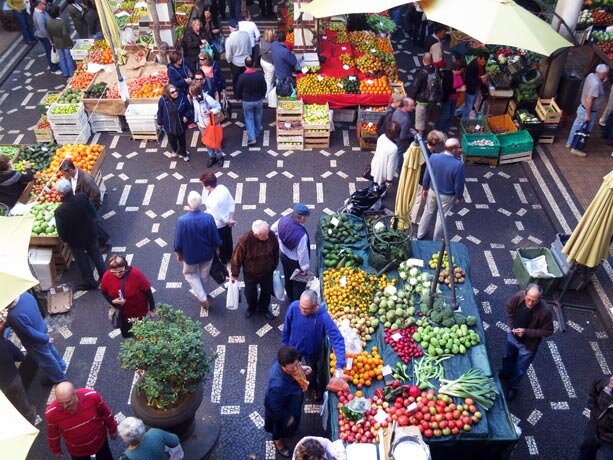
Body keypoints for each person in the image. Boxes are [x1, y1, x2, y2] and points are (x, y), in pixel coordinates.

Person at [282, 290, 346, 401]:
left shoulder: (323, 317)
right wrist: (285, 347)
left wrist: (340, 365)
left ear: (315, 306)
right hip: (293, 348)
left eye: (305, 309)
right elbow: (286, 329)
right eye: (300, 306)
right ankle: (294, 386)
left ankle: (311, 386)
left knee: (312, 371)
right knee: (292, 369)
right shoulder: (294, 307)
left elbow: (337, 338)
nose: (301, 310)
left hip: (312, 352)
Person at [500, 285, 553, 402]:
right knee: (508, 357)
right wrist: (511, 323)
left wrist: (526, 332)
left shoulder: (545, 312)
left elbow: (548, 331)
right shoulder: (519, 296)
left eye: (534, 301)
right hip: (513, 337)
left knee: (520, 368)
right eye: (528, 299)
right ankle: (506, 373)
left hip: (528, 345)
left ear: (539, 299)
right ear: (525, 294)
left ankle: (513, 387)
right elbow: (509, 305)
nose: (530, 303)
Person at [54, 178, 106, 291]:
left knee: (82, 262)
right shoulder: (82, 197)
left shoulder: (60, 211)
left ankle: (90, 283)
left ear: (60, 194)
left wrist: (65, 240)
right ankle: (105, 278)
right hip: (91, 233)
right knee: (97, 256)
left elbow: (61, 230)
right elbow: (92, 212)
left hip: (76, 241)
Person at [174, 191, 221, 312]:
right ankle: (205, 293)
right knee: (204, 276)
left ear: (188, 204)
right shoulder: (208, 218)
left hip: (190, 256)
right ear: (201, 203)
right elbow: (215, 238)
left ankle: (203, 297)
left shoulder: (182, 221)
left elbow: (178, 241)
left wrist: (179, 254)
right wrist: (217, 249)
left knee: (190, 274)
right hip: (207, 254)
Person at [45, 381, 117, 460]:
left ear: (75, 394)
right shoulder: (51, 413)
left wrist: (112, 429)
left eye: (68, 402)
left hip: (100, 442)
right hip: (77, 451)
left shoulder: (92, 396)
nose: (64, 406)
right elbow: (53, 434)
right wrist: (56, 451)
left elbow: (106, 413)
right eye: (60, 403)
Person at [6, 292, 67, 385]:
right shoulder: (25, 295)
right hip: (42, 328)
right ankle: (61, 365)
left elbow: (30, 332)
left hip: (35, 340)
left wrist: (44, 338)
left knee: (46, 361)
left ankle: (59, 379)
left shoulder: (13, 315)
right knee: (51, 350)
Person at [416, 138, 465, 241]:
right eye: (458, 147)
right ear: (454, 149)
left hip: (433, 191)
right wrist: (459, 197)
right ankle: (436, 239)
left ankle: (420, 234)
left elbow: (427, 175)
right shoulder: (458, 165)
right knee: (441, 217)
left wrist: (425, 188)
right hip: (447, 195)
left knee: (427, 211)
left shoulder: (434, 157)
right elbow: (458, 184)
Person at [264, 346, 309, 458]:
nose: (295, 368)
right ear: (283, 366)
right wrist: (287, 417)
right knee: (278, 428)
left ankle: (290, 431)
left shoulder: (286, 364)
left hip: (292, 403)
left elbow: (295, 368)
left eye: (297, 363)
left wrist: (301, 369)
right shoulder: (278, 385)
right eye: (292, 367)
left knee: (291, 424)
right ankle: (278, 442)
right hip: (280, 411)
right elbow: (275, 406)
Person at [231, 220, 279, 319]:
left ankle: (264, 309)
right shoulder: (245, 240)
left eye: (267, 234)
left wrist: (274, 265)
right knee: (250, 293)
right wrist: (234, 274)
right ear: (255, 234)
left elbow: (275, 251)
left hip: (267, 271)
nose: (267, 237)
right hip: (251, 272)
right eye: (264, 236)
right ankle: (251, 308)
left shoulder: (271, 235)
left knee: (267, 291)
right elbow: (236, 257)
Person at [99, 255, 155, 339]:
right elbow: (104, 292)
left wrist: (152, 308)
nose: (117, 274)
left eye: (120, 271)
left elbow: (148, 291)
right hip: (123, 314)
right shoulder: (107, 276)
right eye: (113, 272)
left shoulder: (136, 274)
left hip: (137, 312)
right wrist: (113, 302)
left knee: (140, 332)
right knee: (127, 333)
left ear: (125, 267)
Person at [59, 159, 109, 248]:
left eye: (64, 173)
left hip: (87, 207)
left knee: (94, 224)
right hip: (80, 206)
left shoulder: (86, 179)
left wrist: (88, 206)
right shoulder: (70, 178)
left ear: (70, 170)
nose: (64, 176)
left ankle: (103, 243)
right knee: (90, 225)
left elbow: (96, 194)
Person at [567, 64, 609, 157]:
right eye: (606, 74)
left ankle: (569, 143)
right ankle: (576, 148)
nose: (607, 75)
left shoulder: (591, 76)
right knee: (584, 131)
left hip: (581, 108)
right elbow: (589, 99)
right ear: (602, 74)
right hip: (588, 110)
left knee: (576, 126)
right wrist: (588, 114)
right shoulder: (596, 85)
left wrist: (602, 82)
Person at [272, 203, 311, 301]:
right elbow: (302, 253)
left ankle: (289, 294)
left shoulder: (282, 220)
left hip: (283, 256)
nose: (306, 219)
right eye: (306, 217)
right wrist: (304, 268)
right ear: (301, 218)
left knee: (288, 276)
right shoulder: (302, 235)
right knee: (299, 283)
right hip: (295, 262)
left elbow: (272, 230)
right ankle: (296, 300)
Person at [0, 321, 36, 423]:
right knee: (22, 400)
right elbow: (20, 357)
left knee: (9, 405)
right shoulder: (5, 344)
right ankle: (30, 419)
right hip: (12, 380)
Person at [410, 130, 446, 224]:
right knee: (420, 200)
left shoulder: (424, 145)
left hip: (416, 177)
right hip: (421, 180)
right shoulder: (429, 156)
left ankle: (412, 213)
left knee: (416, 197)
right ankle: (415, 218)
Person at [200, 172, 235, 263]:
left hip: (218, 225)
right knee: (228, 238)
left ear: (208, 186)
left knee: (221, 243)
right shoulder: (223, 188)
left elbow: (218, 217)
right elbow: (232, 203)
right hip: (228, 220)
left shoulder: (210, 200)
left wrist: (227, 222)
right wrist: (230, 219)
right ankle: (230, 255)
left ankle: (223, 259)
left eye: (203, 184)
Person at [577, 374, 613, 460]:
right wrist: (591, 410)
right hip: (593, 428)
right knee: (585, 449)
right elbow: (593, 395)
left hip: (610, 440)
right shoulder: (603, 381)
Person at [191, 82, 224, 167]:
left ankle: (220, 157)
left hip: (211, 124)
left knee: (215, 142)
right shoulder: (194, 99)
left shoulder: (208, 98)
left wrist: (210, 111)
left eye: (192, 94)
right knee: (207, 142)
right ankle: (212, 157)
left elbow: (218, 107)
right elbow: (196, 111)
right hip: (202, 125)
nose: (192, 96)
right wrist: (197, 121)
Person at [157, 84, 193, 162]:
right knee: (172, 140)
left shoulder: (182, 97)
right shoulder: (162, 100)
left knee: (182, 140)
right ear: (168, 94)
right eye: (172, 92)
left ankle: (183, 153)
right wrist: (159, 122)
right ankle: (175, 150)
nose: (175, 93)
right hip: (169, 125)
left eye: (176, 91)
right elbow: (160, 112)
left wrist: (186, 116)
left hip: (180, 124)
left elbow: (189, 108)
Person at [237, 56, 267, 146]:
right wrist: (262, 95)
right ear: (253, 64)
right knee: (258, 116)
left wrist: (239, 97)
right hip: (258, 100)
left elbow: (238, 89)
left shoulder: (242, 77)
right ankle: (257, 131)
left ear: (245, 65)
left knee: (249, 118)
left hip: (247, 101)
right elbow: (264, 87)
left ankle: (252, 138)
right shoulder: (259, 75)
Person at [435, 59, 466, 134]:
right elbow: (447, 90)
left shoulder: (460, 74)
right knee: (446, 115)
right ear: (458, 68)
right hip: (447, 99)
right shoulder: (448, 75)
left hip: (455, 98)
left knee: (451, 115)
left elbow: (462, 82)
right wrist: (459, 90)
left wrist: (463, 85)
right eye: (462, 69)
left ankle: (446, 129)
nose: (462, 71)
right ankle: (436, 129)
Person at [407, 53, 435, 137]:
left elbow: (416, 87)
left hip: (422, 99)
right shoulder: (435, 70)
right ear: (432, 60)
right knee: (426, 114)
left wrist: (412, 98)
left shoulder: (422, 73)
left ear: (423, 60)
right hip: (432, 97)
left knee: (420, 119)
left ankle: (419, 137)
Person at [456, 50, 488, 121]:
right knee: (469, 106)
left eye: (484, 62)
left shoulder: (482, 64)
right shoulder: (472, 66)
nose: (483, 64)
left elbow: (481, 72)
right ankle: (464, 121)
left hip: (476, 88)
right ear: (478, 58)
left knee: (468, 104)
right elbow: (470, 80)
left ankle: (456, 113)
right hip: (471, 89)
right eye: (482, 62)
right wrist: (481, 80)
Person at [32, 0, 61, 74]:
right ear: (39, 4)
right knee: (50, 52)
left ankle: (55, 65)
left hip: (46, 35)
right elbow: (42, 30)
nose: (46, 5)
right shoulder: (39, 16)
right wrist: (50, 39)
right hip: (45, 37)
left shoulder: (41, 12)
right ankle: (53, 68)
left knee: (52, 50)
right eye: (44, 4)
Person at [370, 121, 401, 190]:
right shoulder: (393, 148)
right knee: (380, 188)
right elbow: (390, 166)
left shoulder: (382, 137)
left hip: (376, 165)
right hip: (383, 172)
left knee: (375, 183)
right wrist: (389, 180)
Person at [47, 5, 75, 78]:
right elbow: (65, 34)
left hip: (56, 42)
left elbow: (49, 33)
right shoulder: (61, 22)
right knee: (68, 57)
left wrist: (52, 41)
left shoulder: (48, 22)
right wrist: (69, 44)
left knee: (61, 58)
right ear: (58, 13)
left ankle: (65, 73)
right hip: (65, 42)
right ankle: (71, 73)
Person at [225, 19, 252, 92]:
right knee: (246, 79)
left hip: (235, 62)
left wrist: (229, 61)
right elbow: (250, 47)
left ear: (230, 28)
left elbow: (228, 55)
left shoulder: (229, 39)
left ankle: (237, 95)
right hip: (246, 60)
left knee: (236, 79)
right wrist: (249, 56)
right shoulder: (246, 34)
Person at [271, 31, 297, 96]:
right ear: (285, 39)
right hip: (285, 75)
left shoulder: (274, 44)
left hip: (277, 72)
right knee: (286, 93)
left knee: (279, 93)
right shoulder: (285, 51)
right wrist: (292, 54)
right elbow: (294, 62)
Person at [260, 28, 276, 102]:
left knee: (266, 77)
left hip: (263, 61)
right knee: (270, 81)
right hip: (270, 64)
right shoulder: (273, 45)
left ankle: (266, 91)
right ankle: (268, 96)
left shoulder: (262, 41)